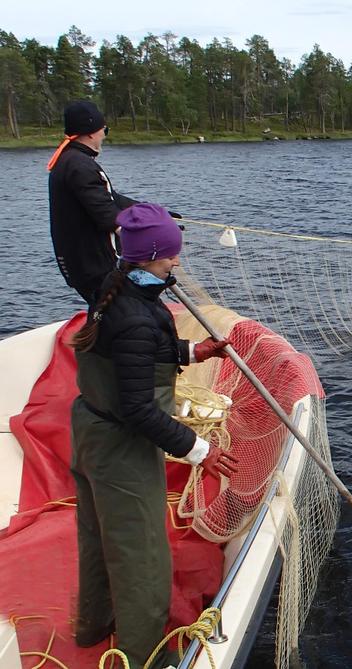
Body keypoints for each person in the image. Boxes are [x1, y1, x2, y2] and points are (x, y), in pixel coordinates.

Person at [68, 202, 237, 667]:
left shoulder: (116, 286)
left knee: (98, 536)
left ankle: (93, 625)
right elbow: (141, 410)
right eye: (170, 258)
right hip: (121, 448)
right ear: (149, 258)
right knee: (141, 555)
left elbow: (133, 354)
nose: (177, 263)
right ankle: (146, 655)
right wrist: (200, 450)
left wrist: (193, 350)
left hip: (90, 433)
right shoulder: (137, 317)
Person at [47, 99, 180, 306]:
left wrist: (154, 213)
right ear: (91, 132)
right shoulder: (79, 166)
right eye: (104, 130)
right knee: (128, 311)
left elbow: (110, 198)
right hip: (94, 265)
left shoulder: (72, 160)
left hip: (84, 263)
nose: (104, 136)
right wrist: (155, 229)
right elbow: (107, 216)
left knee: (123, 312)